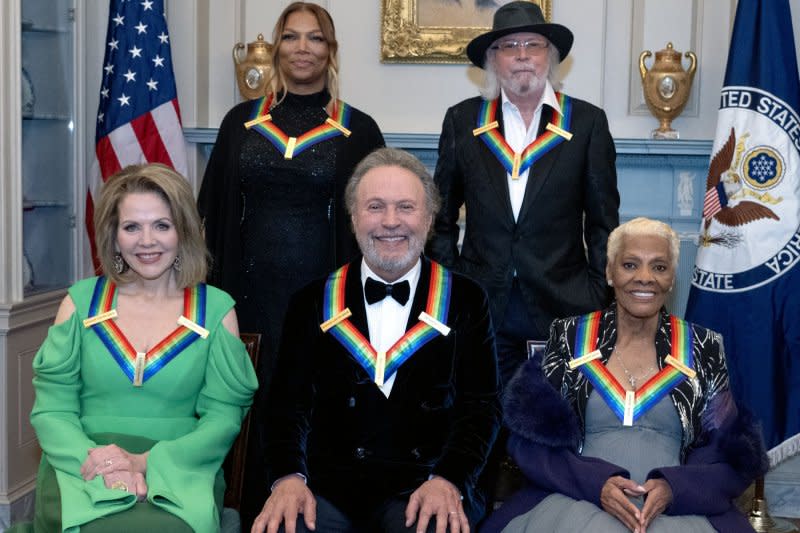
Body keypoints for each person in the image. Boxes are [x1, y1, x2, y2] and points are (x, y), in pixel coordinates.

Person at [197, 2, 385, 523]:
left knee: (316, 406)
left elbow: (377, 224)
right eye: (292, 37)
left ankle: (315, 516)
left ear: (332, 52)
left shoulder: (358, 130)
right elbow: (210, 212)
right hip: (247, 296)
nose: (303, 48)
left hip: (324, 298)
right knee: (249, 408)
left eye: (316, 38)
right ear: (276, 47)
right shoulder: (241, 123)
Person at [252, 148, 501, 533]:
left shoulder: (467, 298)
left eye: (405, 207)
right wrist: (288, 478)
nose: (390, 222)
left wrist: (449, 479)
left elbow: (480, 408)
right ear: (353, 218)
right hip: (327, 488)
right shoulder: (312, 300)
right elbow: (286, 405)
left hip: (425, 481)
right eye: (375, 207)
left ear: (429, 218)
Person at [481, 217, 768, 533]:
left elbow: (731, 455)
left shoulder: (703, 347)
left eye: (659, 267)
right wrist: (596, 484)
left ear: (672, 277)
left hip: (677, 513)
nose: (645, 278)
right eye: (630, 265)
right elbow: (528, 443)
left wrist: (676, 489)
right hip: (574, 499)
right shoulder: (569, 336)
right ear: (609, 272)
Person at [23, 164, 258, 532]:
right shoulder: (80, 303)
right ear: (114, 236)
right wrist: (102, 462)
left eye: (162, 225)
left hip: (180, 468)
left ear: (184, 232)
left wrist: (145, 462)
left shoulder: (216, 310)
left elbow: (222, 420)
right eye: (132, 227)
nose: (147, 241)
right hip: (81, 464)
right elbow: (52, 411)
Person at [427, 0, 619, 387]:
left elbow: (603, 223)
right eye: (509, 47)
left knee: (554, 428)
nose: (522, 57)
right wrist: (453, 281)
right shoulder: (463, 121)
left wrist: (598, 293)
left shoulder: (586, 122)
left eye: (533, 45)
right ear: (492, 60)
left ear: (551, 56)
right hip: (482, 306)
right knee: (484, 422)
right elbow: (440, 215)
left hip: (563, 304)